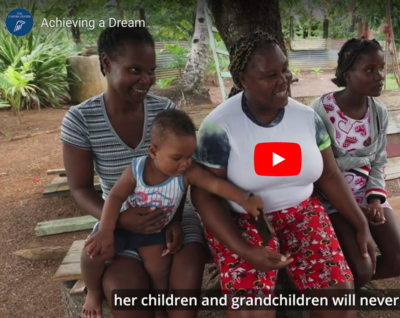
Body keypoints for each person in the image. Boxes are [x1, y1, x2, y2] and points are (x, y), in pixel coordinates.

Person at [190, 31, 375, 318]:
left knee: (340, 305)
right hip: (242, 221)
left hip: (303, 214)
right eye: (270, 75)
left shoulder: (307, 118)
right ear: (243, 79)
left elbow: (329, 176)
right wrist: (244, 250)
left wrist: (360, 222)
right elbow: (204, 192)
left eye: (285, 69)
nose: (284, 80)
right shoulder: (219, 126)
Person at [61, 26, 205, 318]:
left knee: (185, 281)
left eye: (151, 70)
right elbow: (80, 188)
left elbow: (184, 173)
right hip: (115, 218)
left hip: (172, 214)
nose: (146, 80)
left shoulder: (165, 111)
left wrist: (175, 220)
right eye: (135, 69)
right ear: (106, 63)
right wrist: (116, 221)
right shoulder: (81, 119)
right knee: (125, 295)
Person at [81, 109, 264, 318]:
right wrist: (106, 230)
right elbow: (114, 198)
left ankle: (159, 308)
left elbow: (214, 184)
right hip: (119, 227)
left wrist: (244, 199)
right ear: (153, 151)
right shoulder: (137, 170)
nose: (184, 163)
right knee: (92, 254)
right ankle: (93, 292)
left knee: (159, 270)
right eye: (177, 158)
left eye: (189, 156)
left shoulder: (187, 173)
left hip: (154, 231)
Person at [309, 38, 400, 290]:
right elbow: (316, 170)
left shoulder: (378, 112)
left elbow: (379, 160)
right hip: (332, 199)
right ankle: (340, 289)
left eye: (381, 69)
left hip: (367, 196)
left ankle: (351, 287)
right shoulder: (321, 111)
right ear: (348, 74)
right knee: (362, 266)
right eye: (370, 70)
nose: (379, 77)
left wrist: (375, 201)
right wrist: (357, 214)